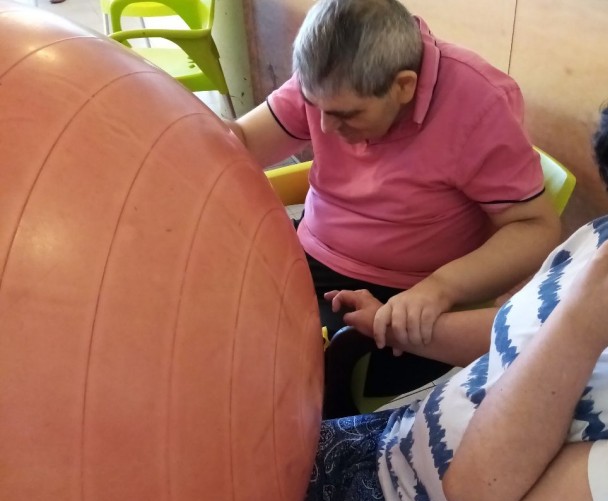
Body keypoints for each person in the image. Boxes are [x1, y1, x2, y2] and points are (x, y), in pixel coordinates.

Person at [185, 66, 608, 501]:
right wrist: (401, 327)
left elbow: (484, 496)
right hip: (392, 453)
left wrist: (581, 325)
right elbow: (517, 331)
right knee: (196, 485)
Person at [225, 0, 561, 344]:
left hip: (406, 290)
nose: (324, 127)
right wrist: (198, 130)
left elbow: (534, 227)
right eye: (314, 106)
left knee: (287, 353)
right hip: (311, 251)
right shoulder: (331, 75)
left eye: (347, 115)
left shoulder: (479, 104)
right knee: (223, 309)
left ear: (404, 86)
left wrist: (441, 288)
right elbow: (243, 141)